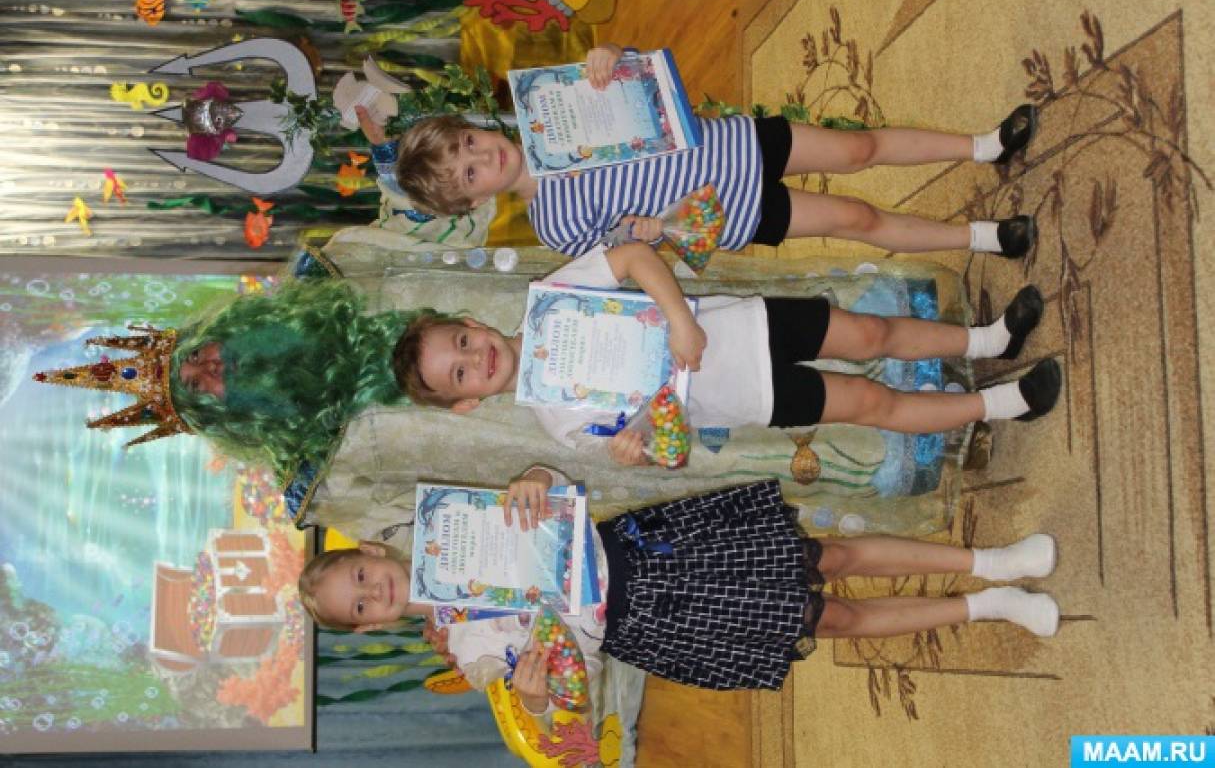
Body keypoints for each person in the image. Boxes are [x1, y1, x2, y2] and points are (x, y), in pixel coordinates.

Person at [299, 475, 1060, 708]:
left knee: (830, 554)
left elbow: (556, 492)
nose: (374, 591)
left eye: (359, 575)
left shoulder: (448, 519)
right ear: (370, 628)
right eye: (359, 606)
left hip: (652, 548)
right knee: (833, 618)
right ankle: (989, 606)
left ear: (370, 550)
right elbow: (571, 694)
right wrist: (538, 695)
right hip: (656, 622)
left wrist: (532, 482)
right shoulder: (470, 650)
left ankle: (989, 560)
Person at [391, 241, 1061, 466]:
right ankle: (1002, 404)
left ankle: (989, 339)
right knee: (872, 403)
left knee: (869, 334)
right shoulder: (558, 422)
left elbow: (634, 257)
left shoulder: (551, 297)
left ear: (472, 323)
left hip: (744, 326)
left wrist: (681, 318)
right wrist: (639, 448)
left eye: (462, 342)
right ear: (468, 402)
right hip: (749, 396)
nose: (475, 358)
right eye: (459, 374)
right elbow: (666, 447)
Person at [359, 43, 1040, 260]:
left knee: (858, 149)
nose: (484, 157)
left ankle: (982, 146)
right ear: (473, 201)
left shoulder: (547, 106)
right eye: (469, 172)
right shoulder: (555, 227)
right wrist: (649, 233)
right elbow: (635, 251)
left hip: (731, 142)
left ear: (475, 126)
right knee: (856, 220)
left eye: (470, 143)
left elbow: (643, 87)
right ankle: (980, 238)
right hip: (727, 211)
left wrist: (611, 57)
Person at [169, 278, 428, 479]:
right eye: (196, 385)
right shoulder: (328, 475)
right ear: (217, 415)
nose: (210, 366)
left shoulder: (337, 272)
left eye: (196, 354)